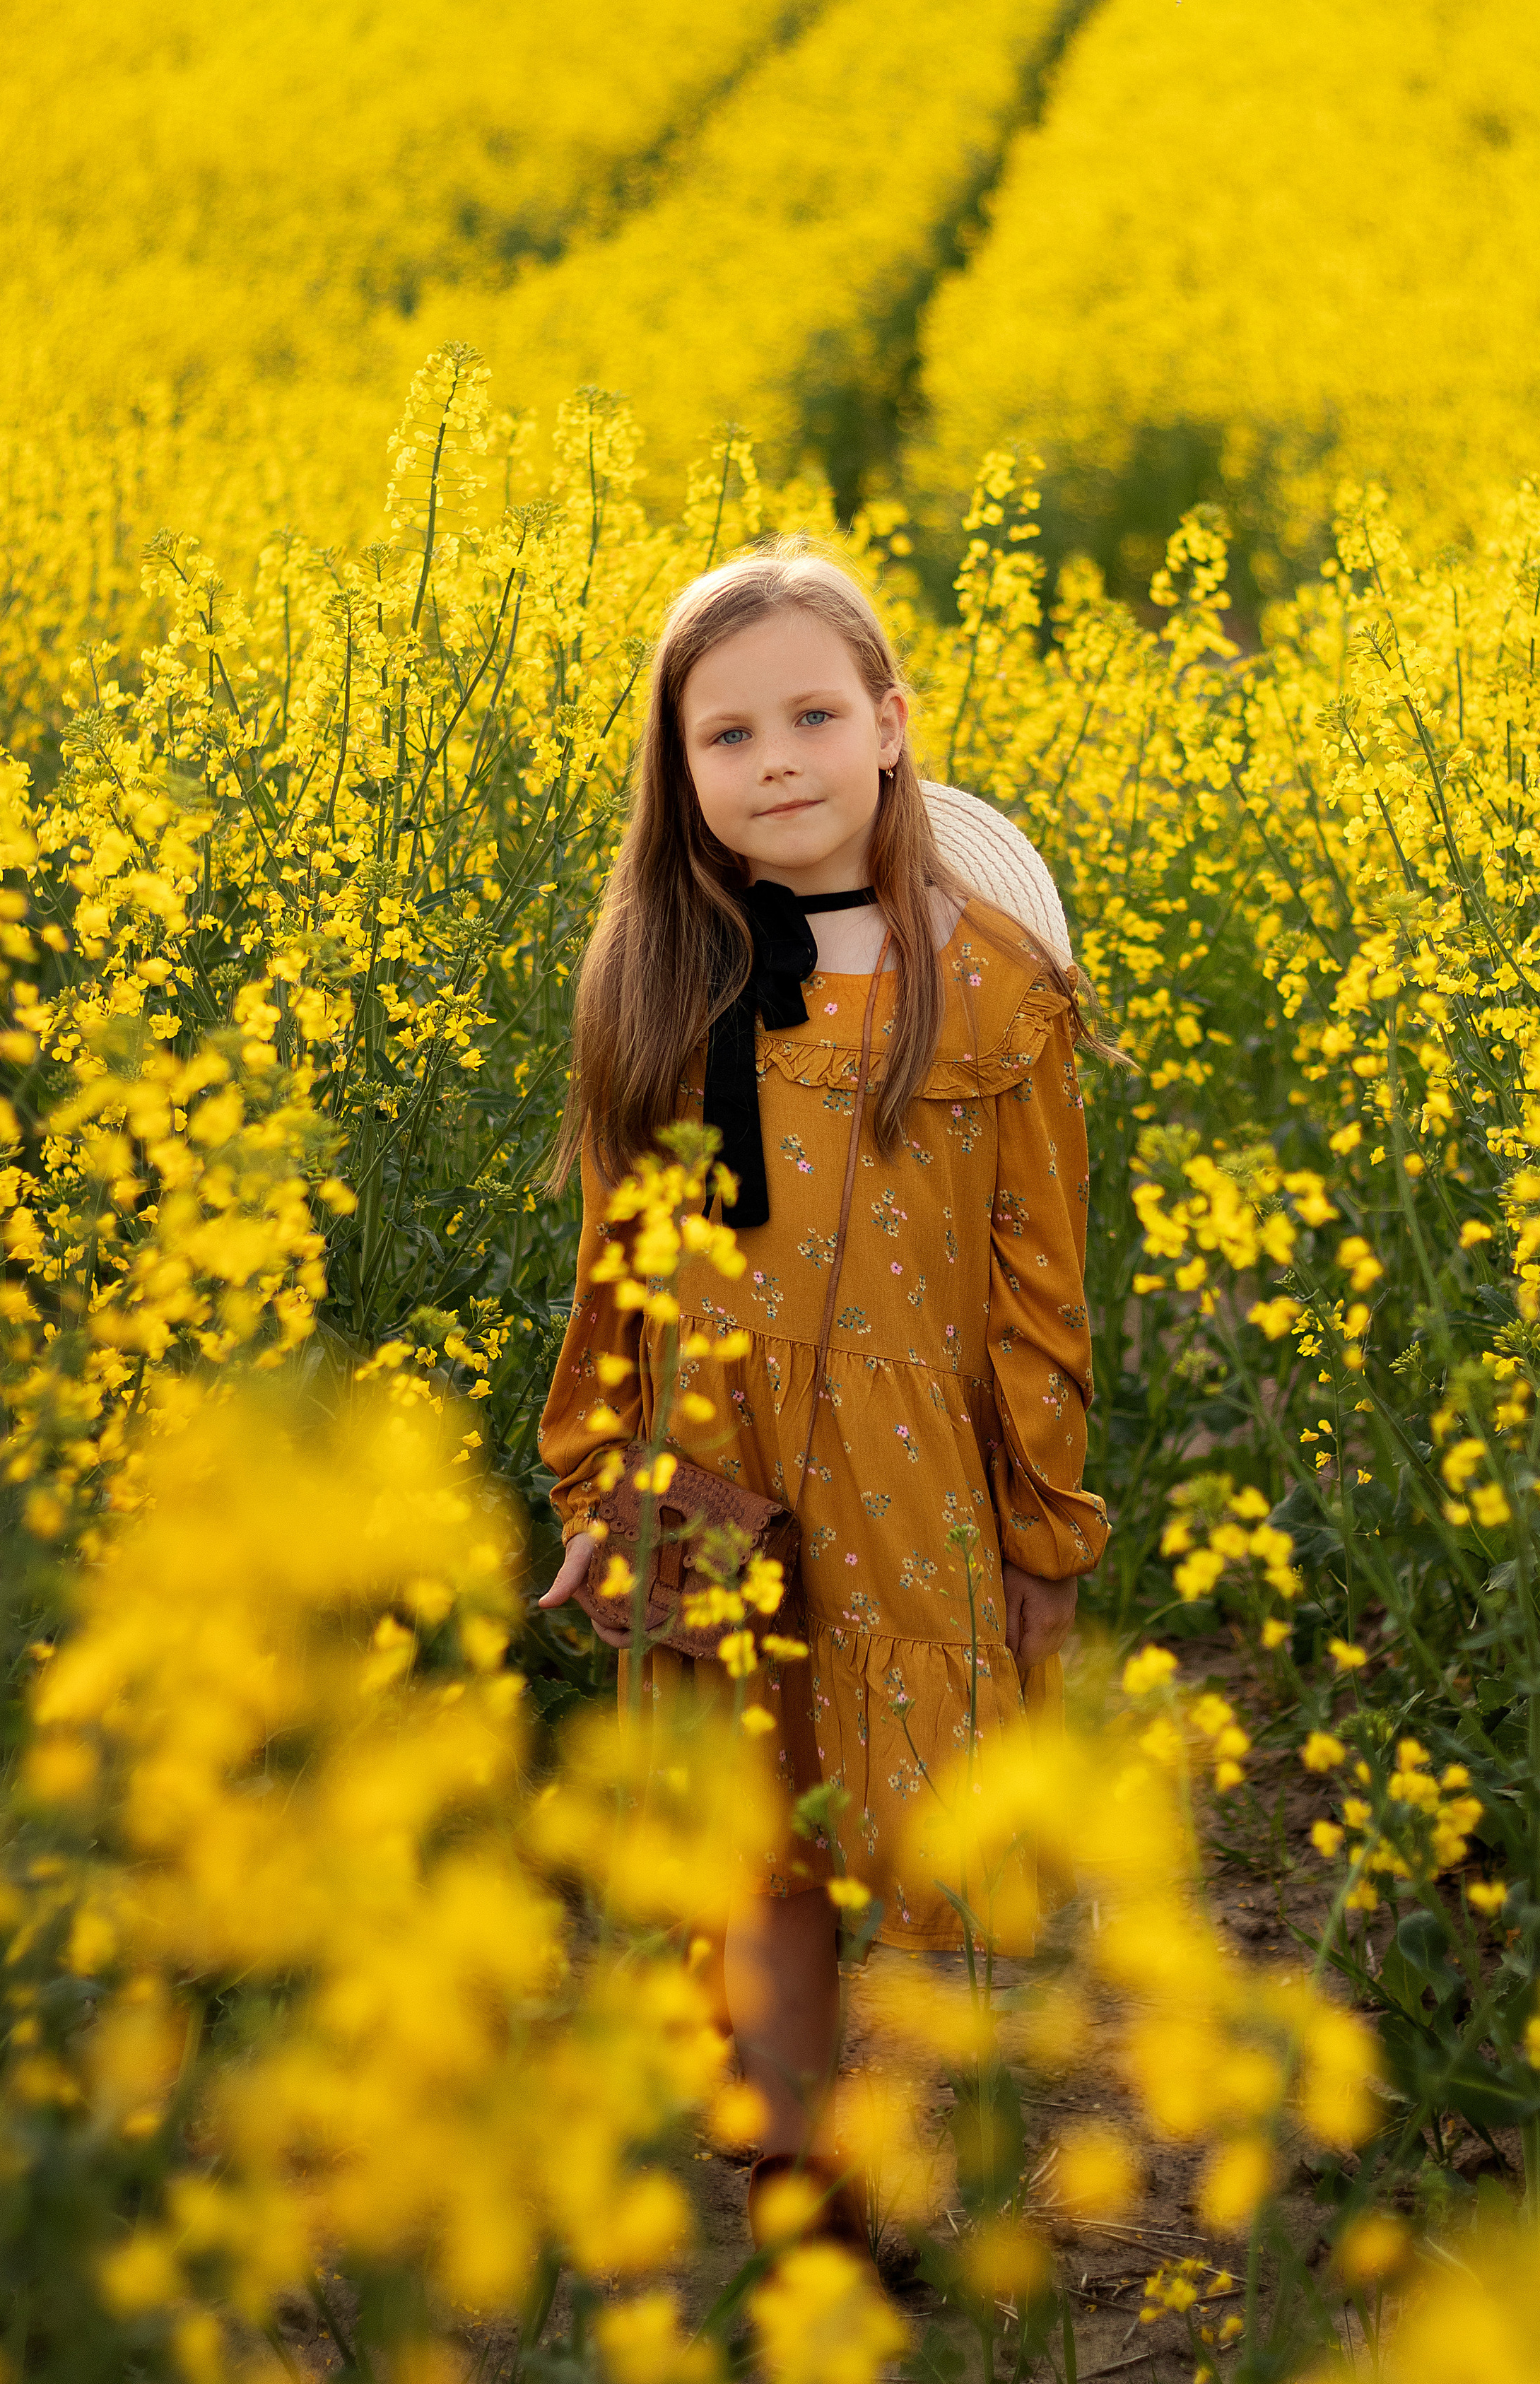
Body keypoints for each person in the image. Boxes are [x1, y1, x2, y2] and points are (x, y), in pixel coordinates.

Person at [536, 544, 1110, 2243]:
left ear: (888, 726)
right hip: (719, 1458)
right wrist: (595, 1474)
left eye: (809, 717)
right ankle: (802, 2193)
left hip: (913, 1473)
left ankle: (885, 2149)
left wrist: (1043, 1527)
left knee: (912, 1834)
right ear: (679, 770)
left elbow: (1037, 1288)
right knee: (755, 1844)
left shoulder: (990, 985)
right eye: (725, 735)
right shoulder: (654, 976)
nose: (773, 761)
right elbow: (614, 1262)